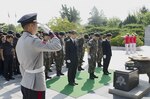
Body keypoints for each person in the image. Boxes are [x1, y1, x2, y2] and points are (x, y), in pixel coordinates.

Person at [16, 13, 61, 99]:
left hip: (25, 80)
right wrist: (51, 33)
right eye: (36, 25)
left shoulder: (21, 40)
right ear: (30, 26)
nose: (37, 27)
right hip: (36, 84)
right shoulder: (33, 40)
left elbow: (38, 47)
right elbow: (57, 46)